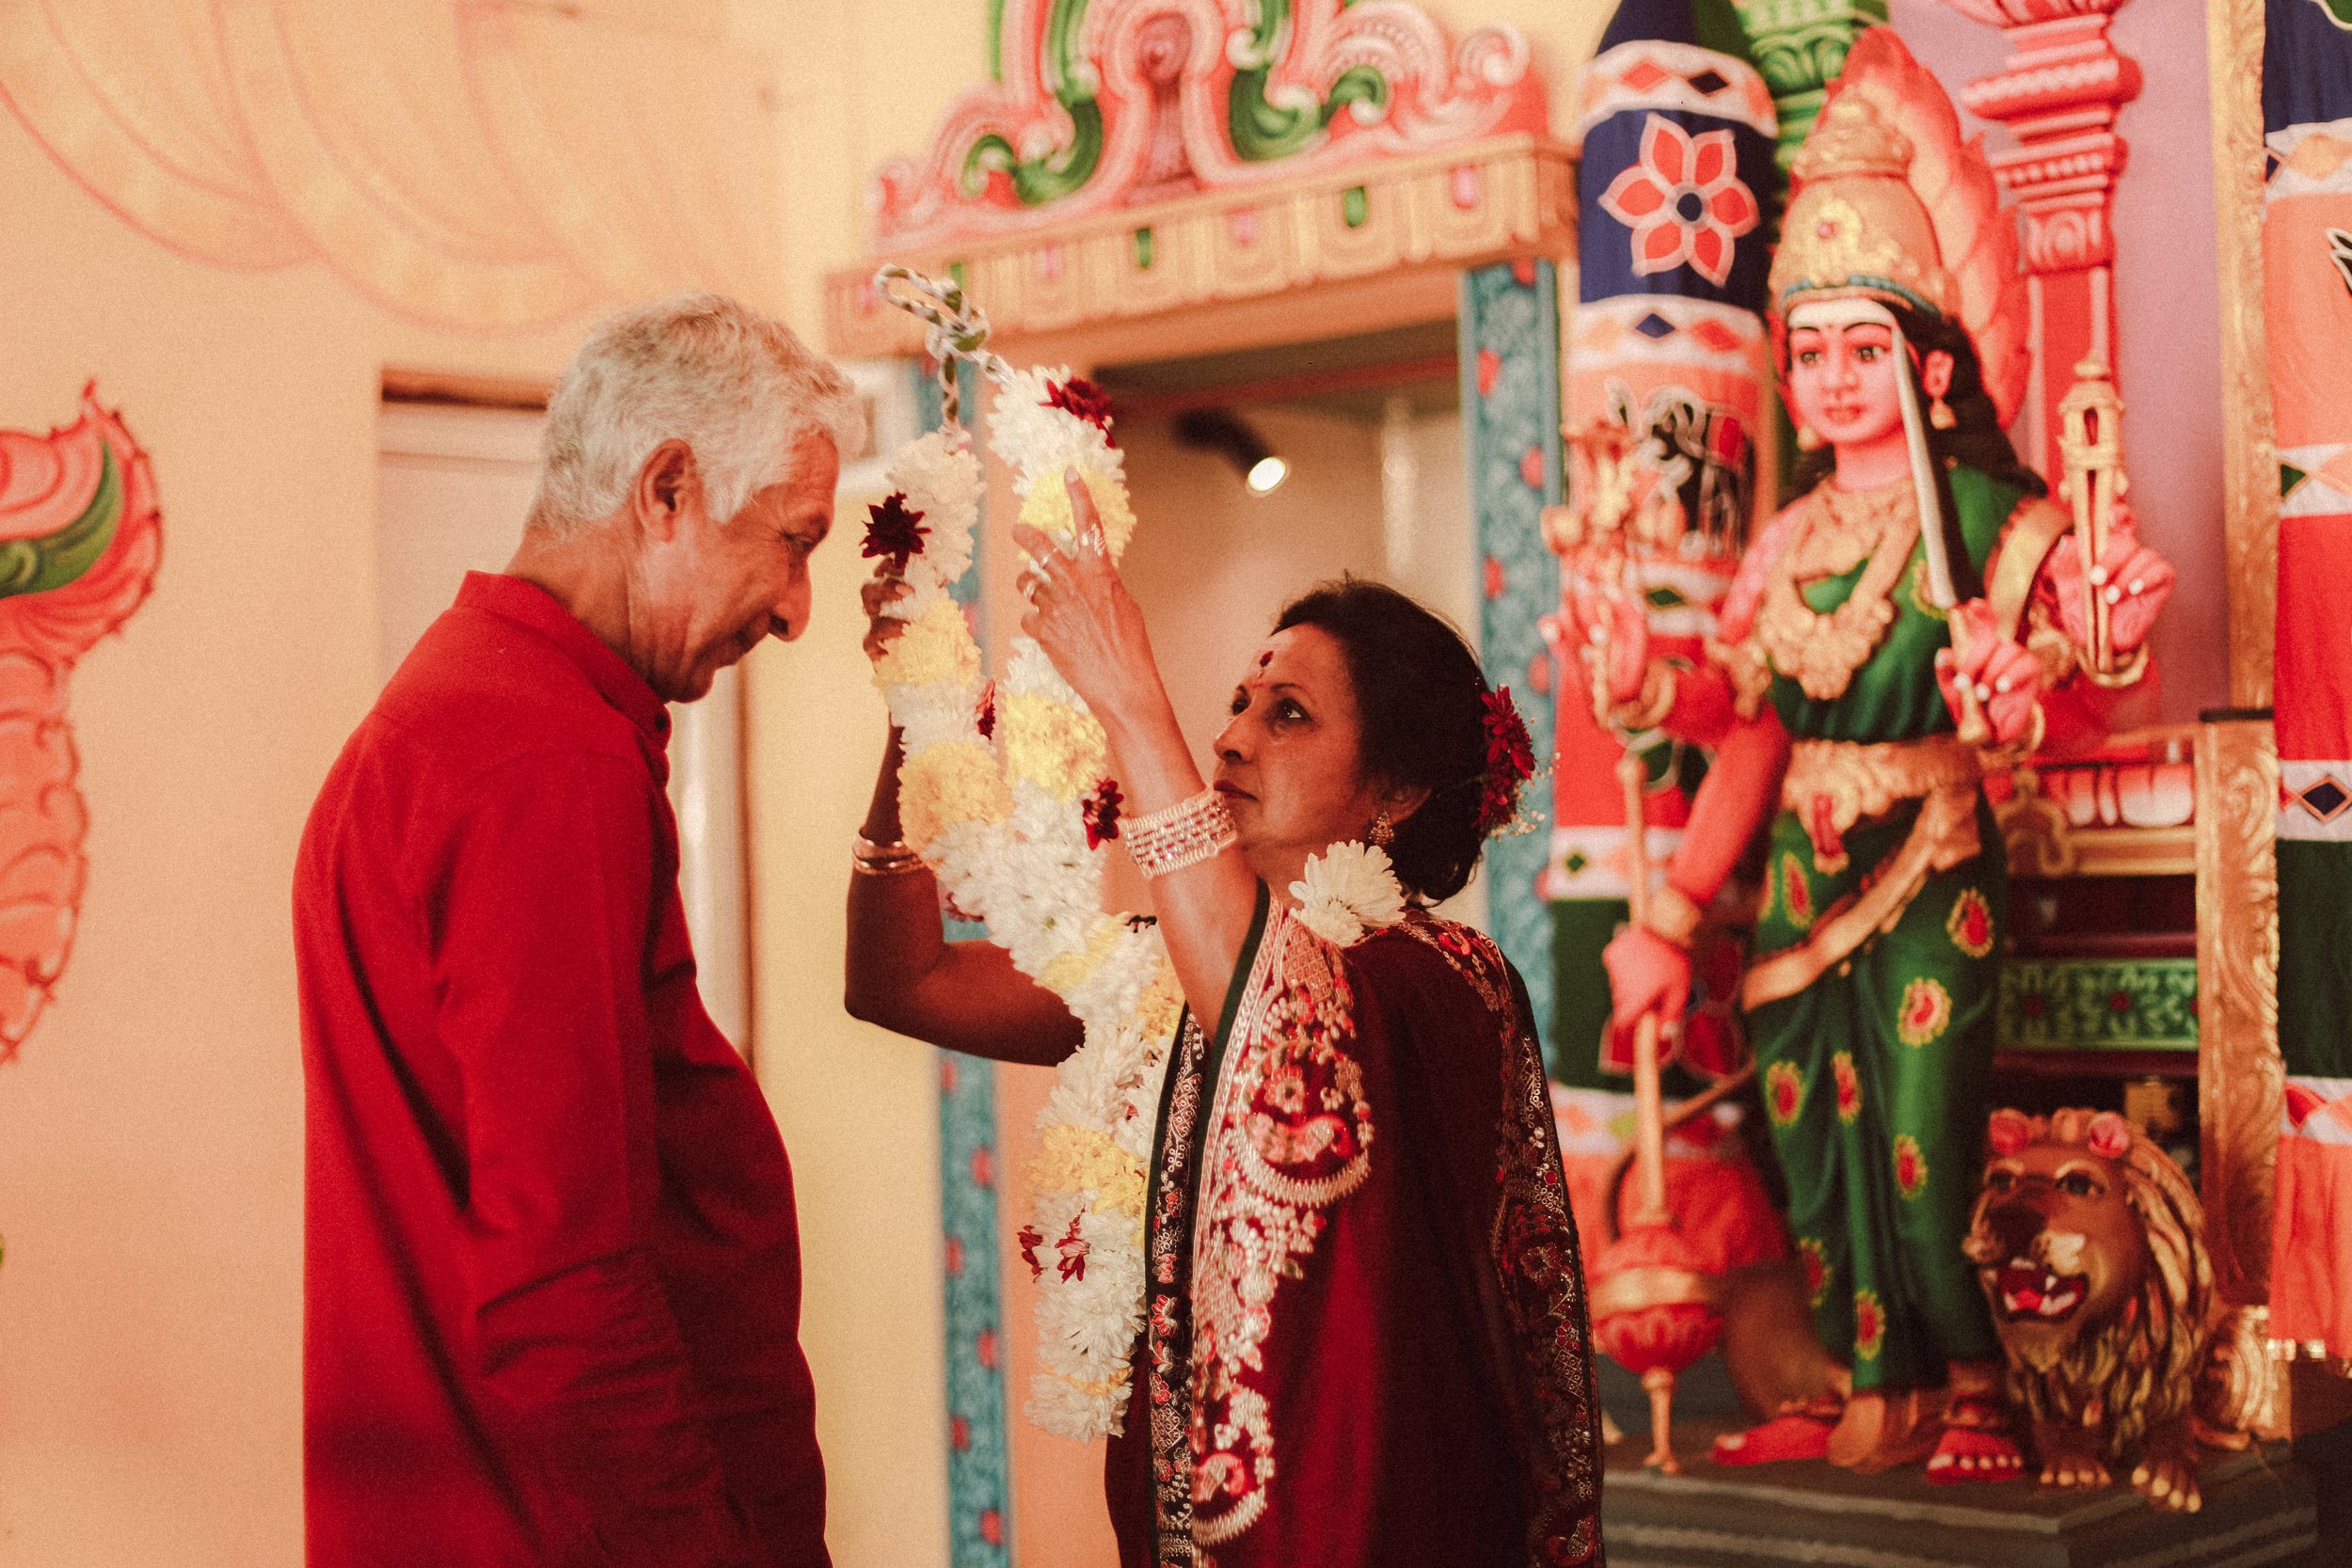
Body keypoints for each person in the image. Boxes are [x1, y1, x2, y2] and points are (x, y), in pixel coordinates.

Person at [1571, 30, 2173, 1481]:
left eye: (1866, 350)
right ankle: (1863, 1375)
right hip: (1793, 882)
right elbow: (1749, 734)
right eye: (1813, 353)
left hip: (1931, 862)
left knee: (1919, 1143)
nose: (1837, 380)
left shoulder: (1991, 516)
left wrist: (2064, 665)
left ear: (1932, 358)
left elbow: (2080, 701)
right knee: (1806, 1145)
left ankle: (1976, 1382)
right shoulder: (1783, 541)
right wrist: (1661, 895)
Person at [847, 496, 1604, 1567]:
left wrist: (1126, 696)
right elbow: (902, 980)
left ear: (1393, 790)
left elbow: (1283, 1017)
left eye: (1286, 713)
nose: (1230, 733)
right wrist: (912, 720)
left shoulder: (1441, 982)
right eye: (1240, 700)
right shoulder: (1160, 970)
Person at [294, 292, 860, 1568]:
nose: (794, 604)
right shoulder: (541, 756)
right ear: (668, 489)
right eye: (791, 540)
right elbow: (566, 1279)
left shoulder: (470, 706)